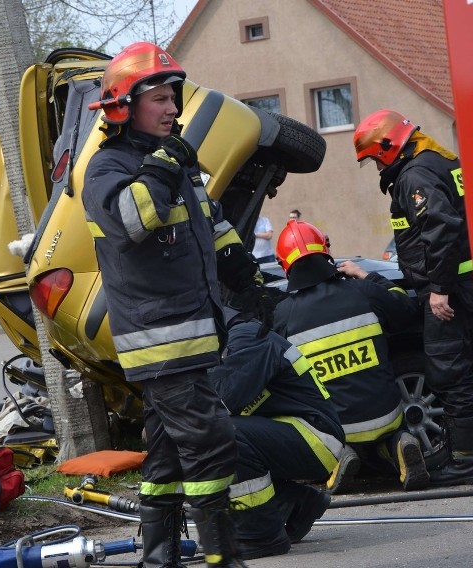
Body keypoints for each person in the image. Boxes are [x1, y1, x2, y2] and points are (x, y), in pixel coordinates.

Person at [82, 42, 275, 568]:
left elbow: (209, 225)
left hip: (192, 335)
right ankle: (222, 557)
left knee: (167, 452)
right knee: (211, 444)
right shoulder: (108, 168)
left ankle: (160, 556)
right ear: (124, 106)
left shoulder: (175, 165)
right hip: (160, 340)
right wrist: (166, 166)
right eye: (161, 99)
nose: (172, 109)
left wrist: (247, 277)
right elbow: (133, 220)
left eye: (174, 98)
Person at [352, 109, 473, 485]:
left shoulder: (415, 174)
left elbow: (441, 226)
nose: (374, 167)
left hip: (449, 295)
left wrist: (439, 289)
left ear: (385, 149)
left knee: (452, 377)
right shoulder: (441, 161)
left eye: (372, 159)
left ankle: (465, 463)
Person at [272, 219, 430, 493]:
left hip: (335, 426)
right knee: (386, 432)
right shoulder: (362, 291)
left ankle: (337, 455)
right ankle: (397, 442)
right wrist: (368, 276)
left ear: (284, 264)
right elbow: (406, 308)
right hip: (386, 415)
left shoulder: (282, 315)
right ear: (326, 250)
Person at [208, 308, 343, 560]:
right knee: (200, 436)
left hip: (315, 438)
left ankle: (260, 536)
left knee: (221, 433)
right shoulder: (234, 337)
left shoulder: (248, 338)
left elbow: (222, 400)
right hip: (296, 434)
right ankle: (294, 503)